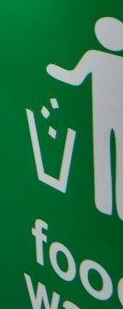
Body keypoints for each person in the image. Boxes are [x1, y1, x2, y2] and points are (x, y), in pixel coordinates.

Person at [47, 16, 123, 219]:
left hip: (107, 117)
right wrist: (56, 71)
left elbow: (74, 77)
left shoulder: (95, 57)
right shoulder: (95, 57)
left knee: (104, 154)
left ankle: (107, 203)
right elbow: (75, 77)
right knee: (106, 155)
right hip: (102, 116)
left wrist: (56, 72)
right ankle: (107, 204)